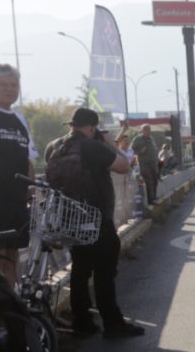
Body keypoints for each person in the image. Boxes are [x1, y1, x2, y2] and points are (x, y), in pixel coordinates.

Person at [45, 108, 143, 338]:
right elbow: (124, 166)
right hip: (96, 216)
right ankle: (113, 323)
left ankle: (82, 321)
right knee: (104, 272)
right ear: (92, 127)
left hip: (68, 217)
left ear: (72, 124)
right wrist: (109, 143)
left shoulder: (54, 146)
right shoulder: (92, 146)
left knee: (80, 269)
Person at [0, 64, 37, 287]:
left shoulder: (20, 120)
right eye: (3, 84)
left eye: (14, 85)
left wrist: (30, 194)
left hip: (17, 204)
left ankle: (11, 316)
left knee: (11, 258)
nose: (9, 89)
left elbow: (28, 160)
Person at [131, 124, 159, 204]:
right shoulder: (137, 139)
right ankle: (151, 200)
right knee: (149, 181)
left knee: (155, 181)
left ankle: (154, 197)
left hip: (153, 164)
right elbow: (132, 150)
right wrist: (140, 152)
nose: (147, 131)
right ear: (142, 131)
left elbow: (154, 149)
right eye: (145, 129)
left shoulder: (151, 139)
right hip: (144, 164)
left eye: (149, 129)